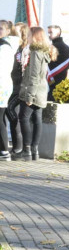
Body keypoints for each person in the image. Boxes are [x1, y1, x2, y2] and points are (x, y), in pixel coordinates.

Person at [13, 27, 56, 162]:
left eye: (30, 35)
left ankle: (27, 150)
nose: (28, 37)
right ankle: (34, 151)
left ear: (36, 37)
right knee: (37, 119)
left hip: (33, 91)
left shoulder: (36, 53)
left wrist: (29, 96)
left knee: (24, 118)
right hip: (40, 90)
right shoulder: (42, 51)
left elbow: (34, 76)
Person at [8, 22, 29, 155]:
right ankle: (15, 146)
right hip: (11, 84)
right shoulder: (14, 47)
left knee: (10, 110)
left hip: (20, 86)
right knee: (10, 113)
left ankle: (19, 146)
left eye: (17, 31)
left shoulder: (25, 49)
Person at [0, 20, 18, 161]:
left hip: (1, 85)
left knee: (0, 118)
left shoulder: (5, 47)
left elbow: (2, 68)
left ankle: (4, 151)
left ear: (7, 31)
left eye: (1, 28)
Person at [47, 24, 69, 99]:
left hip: (52, 79)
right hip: (61, 80)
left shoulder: (54, 47)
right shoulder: (67, 47)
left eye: (51, 32)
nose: (49, 35)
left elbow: (50, 63)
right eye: (48, 32)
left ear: (58, 33)